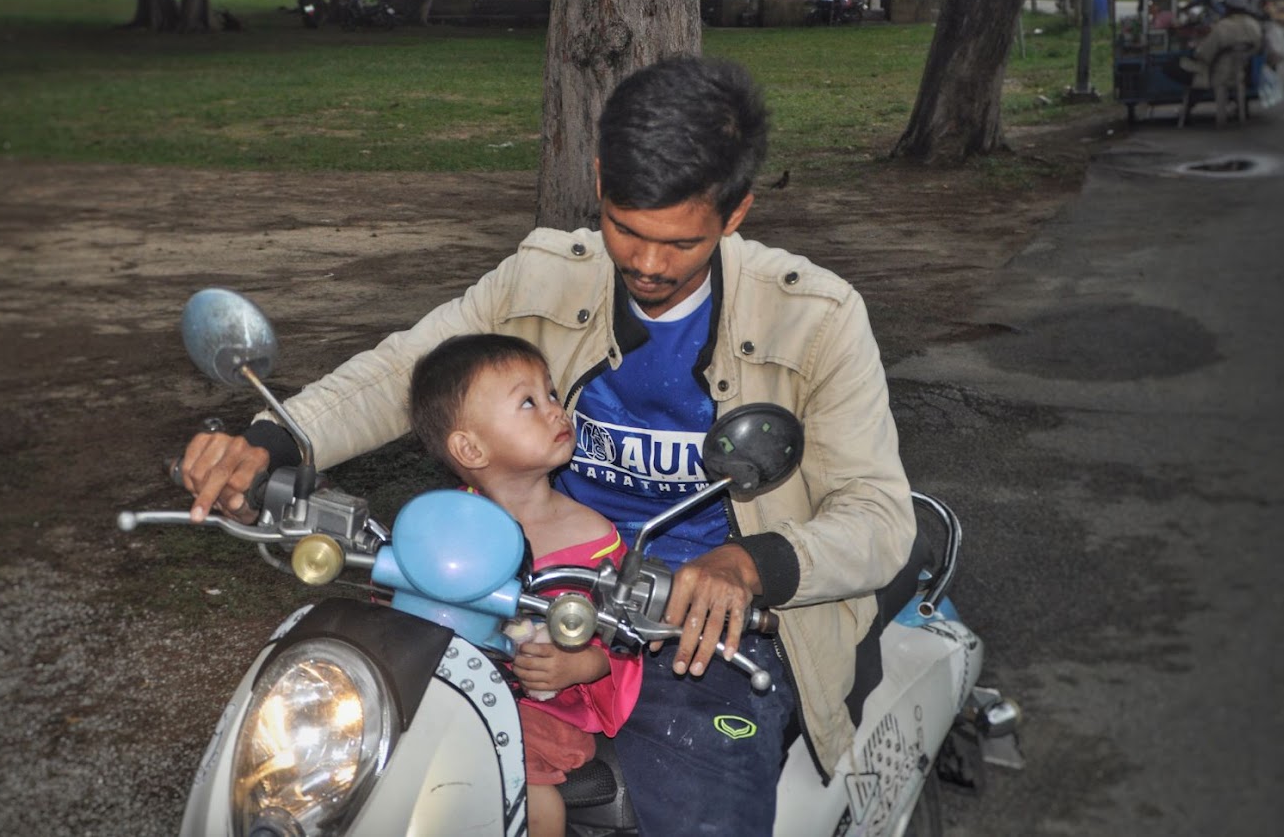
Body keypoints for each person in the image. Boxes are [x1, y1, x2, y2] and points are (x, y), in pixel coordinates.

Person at [181, 55, 915, 834]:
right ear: (598, 181)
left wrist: (750, 564)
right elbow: (408, 369)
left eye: (681, 242)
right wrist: (274, 439)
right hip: (519, 592)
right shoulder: (541, 278)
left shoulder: (819, 318)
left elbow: (877, 515)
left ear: (735, 213)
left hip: (700, 632)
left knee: (701, 808)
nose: (647, 264)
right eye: (625, 229)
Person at [407, 333, 641, 837]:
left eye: (553, 394)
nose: (557, 410)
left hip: (541, 712)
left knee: (520, 786)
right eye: (529, 402)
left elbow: (629, 635)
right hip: (448, 696)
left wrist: (580, 663)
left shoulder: (595, 539)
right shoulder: (445, 528)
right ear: (470, 447)